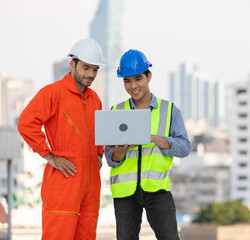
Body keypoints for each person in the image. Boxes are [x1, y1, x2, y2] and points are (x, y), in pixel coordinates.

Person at [17, 38, 105, 239]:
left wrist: (99, 155)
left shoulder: (95, 99)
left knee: (87, 235)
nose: (90, 74)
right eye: (86, 68)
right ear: (72, 64)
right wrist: (49, 155)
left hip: (92, 181)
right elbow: (26, 123)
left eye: (95, 70)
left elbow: (98, 131)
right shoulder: (53, 93)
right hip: (64, 178)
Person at [105, 49, 191, 240]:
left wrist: (153, 138)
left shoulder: (169, 110)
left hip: (157, 189)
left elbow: (184, 148)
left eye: (138, 79)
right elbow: (110, 159)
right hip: (125, 193)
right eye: (127, 81)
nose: (133, 86)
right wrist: (119, 153)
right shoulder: (116, 111)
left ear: (148, 76)